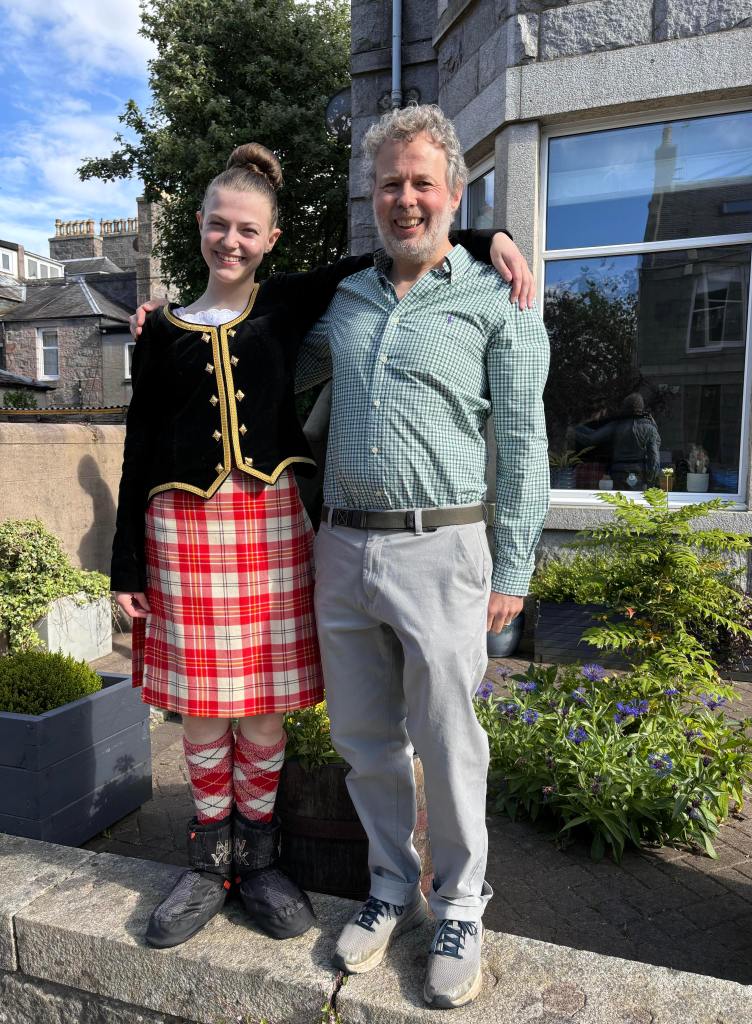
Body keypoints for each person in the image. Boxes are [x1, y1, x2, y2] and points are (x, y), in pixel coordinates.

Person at [118, 142, 535, 952]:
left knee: (277, 712)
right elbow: (137, 447)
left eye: (248, 229)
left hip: (288, 532)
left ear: (272, 238)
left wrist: (492, 239)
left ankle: (278, 863)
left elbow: (414, 234)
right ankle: (214, 861)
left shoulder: (293, 302)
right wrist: (124, 565)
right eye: (217, 225)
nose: (231, 241)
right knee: (218, 714)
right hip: (205, 536)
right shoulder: (169, 327)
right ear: (198, 228)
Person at [298, 105, 550, 1010]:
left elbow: (523, 442)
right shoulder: (345, 301)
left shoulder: (498, 301)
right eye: (389, 184)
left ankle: (463, 902)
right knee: (363, 739)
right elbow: (256, 345)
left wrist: (514, 567)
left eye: (421, 183)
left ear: (452, 193)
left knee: (449, 744)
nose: (405, 199)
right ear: (372, 195)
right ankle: (392, 885)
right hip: (341, 545)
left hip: (444, 548)